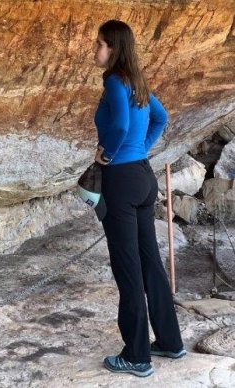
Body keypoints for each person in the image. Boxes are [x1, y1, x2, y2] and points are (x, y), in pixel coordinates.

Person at [92, 19, 186, 377]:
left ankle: (136, 356)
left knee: (128, 268)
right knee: (150, 263)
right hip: (144, 178)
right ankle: (170, 342)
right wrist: (142, 150)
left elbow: (118, 126)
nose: (95, 49)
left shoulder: (115, 81)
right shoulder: (138, 82)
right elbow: (160, 118)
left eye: (100, 44)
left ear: (114, 49)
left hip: (121, 180)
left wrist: (109, 154)